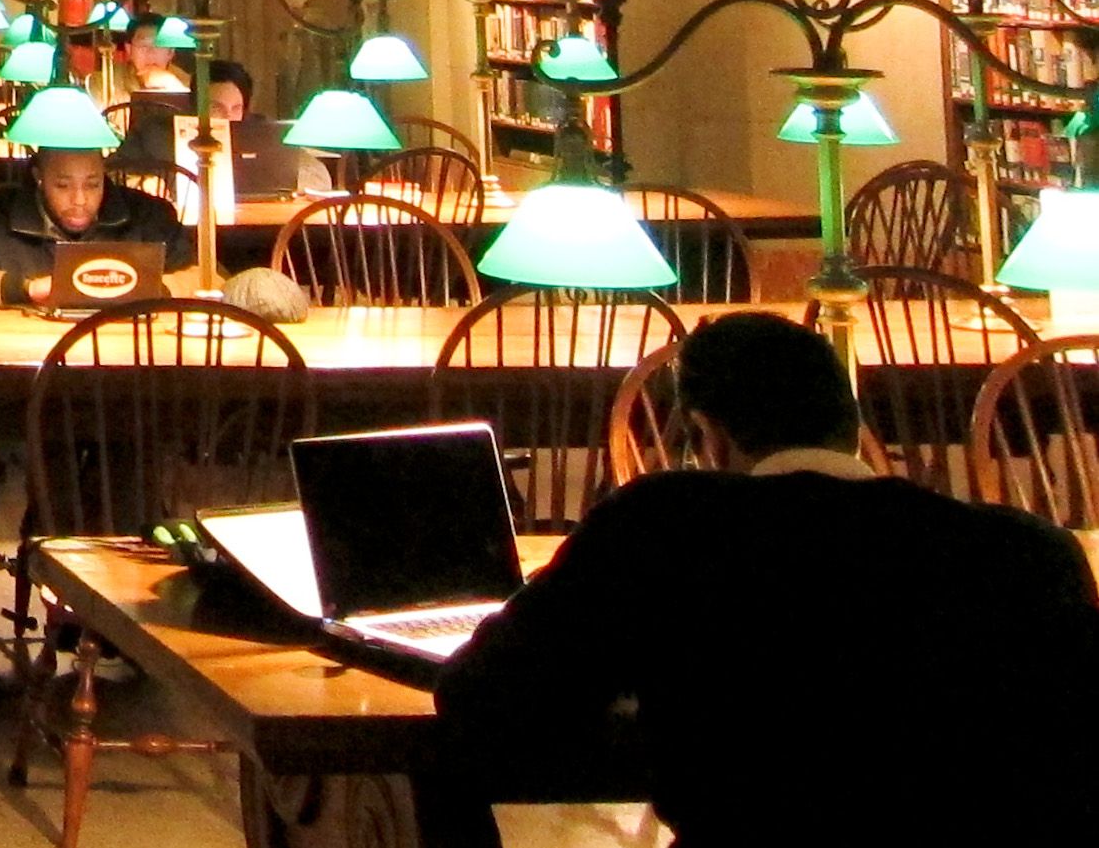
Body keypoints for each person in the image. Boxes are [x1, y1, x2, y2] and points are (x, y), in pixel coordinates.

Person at [429, 311, 1099, 847]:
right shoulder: (1031, 553)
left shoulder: (659, 527)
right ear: (854, 424)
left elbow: (480, 693)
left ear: (707, 435)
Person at [0, 148, 192, 306]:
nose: (80, 199)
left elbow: (210, 278)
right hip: (23, 378)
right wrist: (23, 289)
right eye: (63, 185)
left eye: (93, 184)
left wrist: (150, 287)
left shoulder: (148, 216)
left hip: (129, 376)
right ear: (39, 178)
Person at [201, 58, 328, 197]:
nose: (228, 116)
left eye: (236, 108)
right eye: (216, 108)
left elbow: (320, 177)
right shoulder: (181, 136)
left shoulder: (262, 133)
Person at [111, 18, 194, 178]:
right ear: (129, 49)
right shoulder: (107, 81)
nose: (150, 53)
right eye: (143, 46)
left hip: (174, 169)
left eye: (158, 46)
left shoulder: (187, 84)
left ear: (170, 52)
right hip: (123, 169)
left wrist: (173, 87)